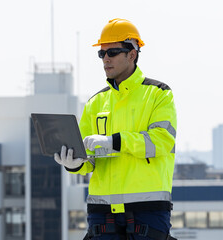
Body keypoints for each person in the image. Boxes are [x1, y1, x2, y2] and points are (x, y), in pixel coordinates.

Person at [54, 18, 177, 240]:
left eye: (112, 52)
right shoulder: (95, 102)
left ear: (132, 53)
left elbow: (161, 141)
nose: (106, 59)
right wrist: (74, 164)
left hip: (147, 209)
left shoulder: (159, 94)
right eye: (102, 54)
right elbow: (88, 158)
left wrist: (115, 142)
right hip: (102, 212)